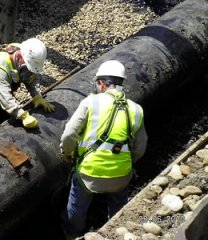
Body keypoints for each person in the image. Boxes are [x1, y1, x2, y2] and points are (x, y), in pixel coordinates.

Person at [59, 60, 148, 239]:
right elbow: (141, 145)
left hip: (89, 175)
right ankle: (117, 231)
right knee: (119, 203)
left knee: (77, 206)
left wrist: (67, 153)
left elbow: (69, 134)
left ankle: (73, 234)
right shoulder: (136, 109)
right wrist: (128, 163)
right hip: (121, 175)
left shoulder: (90, 102)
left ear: (101, 83)